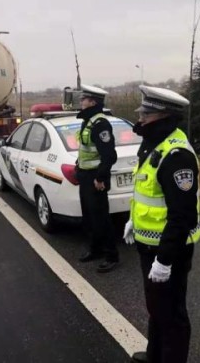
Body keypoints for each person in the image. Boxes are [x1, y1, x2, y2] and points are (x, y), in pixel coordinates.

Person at [124, 85, 200, 363]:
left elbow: (183, 216)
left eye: (146, 113)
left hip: (170, 250)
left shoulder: (176, 155)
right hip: (151, 244)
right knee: (157, 308)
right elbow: (148, 192)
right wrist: (133, 220)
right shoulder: (154, 142)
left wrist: (165, 260)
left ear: (163, 116)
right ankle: (155, 354)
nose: (140, 118)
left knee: (172, 317)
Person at [76, 84, 119, 273]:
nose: (81, 101)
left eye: (83, 99)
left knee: (101, 217)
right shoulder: (88, 120)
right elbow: (86, 149)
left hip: (96, 178)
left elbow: (109, 155)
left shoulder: (101, 123)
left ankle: (112, 255)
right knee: (89, 216)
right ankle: (95, 249)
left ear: (92, 102)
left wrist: (101, 177)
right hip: (86, 176)